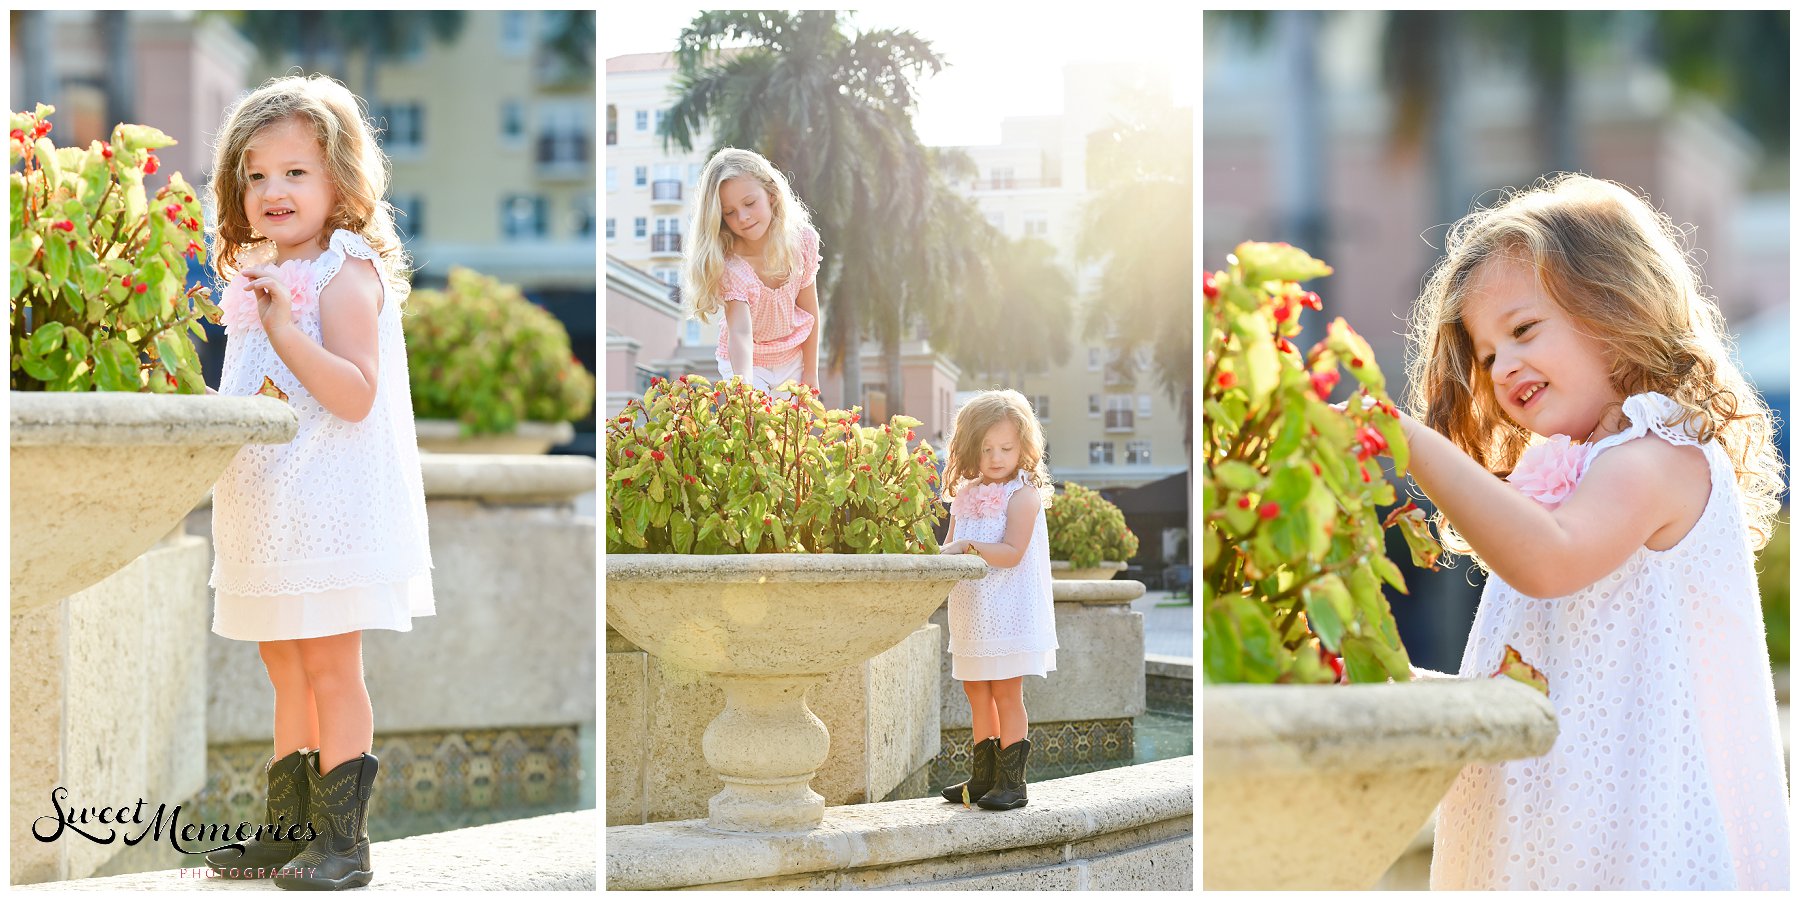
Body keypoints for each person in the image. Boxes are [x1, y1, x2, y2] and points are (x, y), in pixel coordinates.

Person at [1387, 174, 1786, 890]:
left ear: (1613, 306)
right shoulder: (1574, 476)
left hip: (1636, 838)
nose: (1503, 365)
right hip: (1556, 826)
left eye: (1523, 330)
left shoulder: (1657, 458)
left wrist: (1407, 440)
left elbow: (1553, 559)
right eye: (1485, 354)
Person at [202, 74, 434, 891]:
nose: (273, 190)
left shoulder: (345, 269)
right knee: (285, 668)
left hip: (331, 510)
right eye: (256, 174)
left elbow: (353, 390)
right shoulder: (260, 268)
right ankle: (286, 830)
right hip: (269, 512)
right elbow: (252, 392)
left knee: (333, 667)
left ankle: (345, 841)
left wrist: (283, 327)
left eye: (295, 172)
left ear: (340, 179)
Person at [934, 390, 1059, 810]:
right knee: (975, 691)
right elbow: (949, 547)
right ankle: (982, 777)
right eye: (986, 448)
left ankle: (1013, 782)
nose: (995, 457)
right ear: (970, 448)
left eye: (1005, 448)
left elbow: (1011, 553)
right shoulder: (965, 494)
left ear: (1023, 447)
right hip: (973, 612)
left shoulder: (1023, 495)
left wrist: (968, 545)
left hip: (1008, 612)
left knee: (1006, 692)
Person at [680, 147, 821, 398]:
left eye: (749, 203)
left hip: (792, 357)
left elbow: (810, 311)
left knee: (793, 433)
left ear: (772, 195)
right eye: (730, 213)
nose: (743, 217)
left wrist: (811, 372)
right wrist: (743, 387)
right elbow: (740, 333)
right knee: (754, 427)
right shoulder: (730, 265)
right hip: (749, 362)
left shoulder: (802, 242)